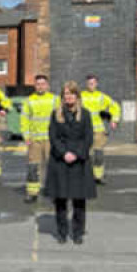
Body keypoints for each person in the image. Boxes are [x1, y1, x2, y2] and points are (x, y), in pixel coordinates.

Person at [45, 81, 97, 245]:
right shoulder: (55, 114)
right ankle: (61, 232)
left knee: (79, 200)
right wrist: (64, 153)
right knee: (60, 200)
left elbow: (88, 137)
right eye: (65, 94)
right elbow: (53, 137)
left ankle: (78, 232)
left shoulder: (86, 114)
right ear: (62, 97)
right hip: (60, 161)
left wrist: (76, 153)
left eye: (71, 94)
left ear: (77, 96)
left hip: (79, 162)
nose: (68, 97)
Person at [21, 75, 59, 203]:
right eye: (38, 84)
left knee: (53, 167)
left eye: (43, 84)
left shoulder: (55, 100)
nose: (40, 86)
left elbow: (61, 118)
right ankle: (32, 193)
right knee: (33, 167)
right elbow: (24, 119)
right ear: (35, 85)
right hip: (34, 140)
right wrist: (26, 136)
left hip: (51, 139)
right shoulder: (29, 100)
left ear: (47, 85)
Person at [80, 75, 121, 185]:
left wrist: (114, 120)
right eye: (89, 83)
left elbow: (115, 106)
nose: (91, 85)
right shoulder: (80, 96)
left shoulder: (101, 97)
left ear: (96, 84)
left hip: (98, 131)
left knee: (98, 155)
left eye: (93, 83)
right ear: (86, 84)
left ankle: (98, 177)